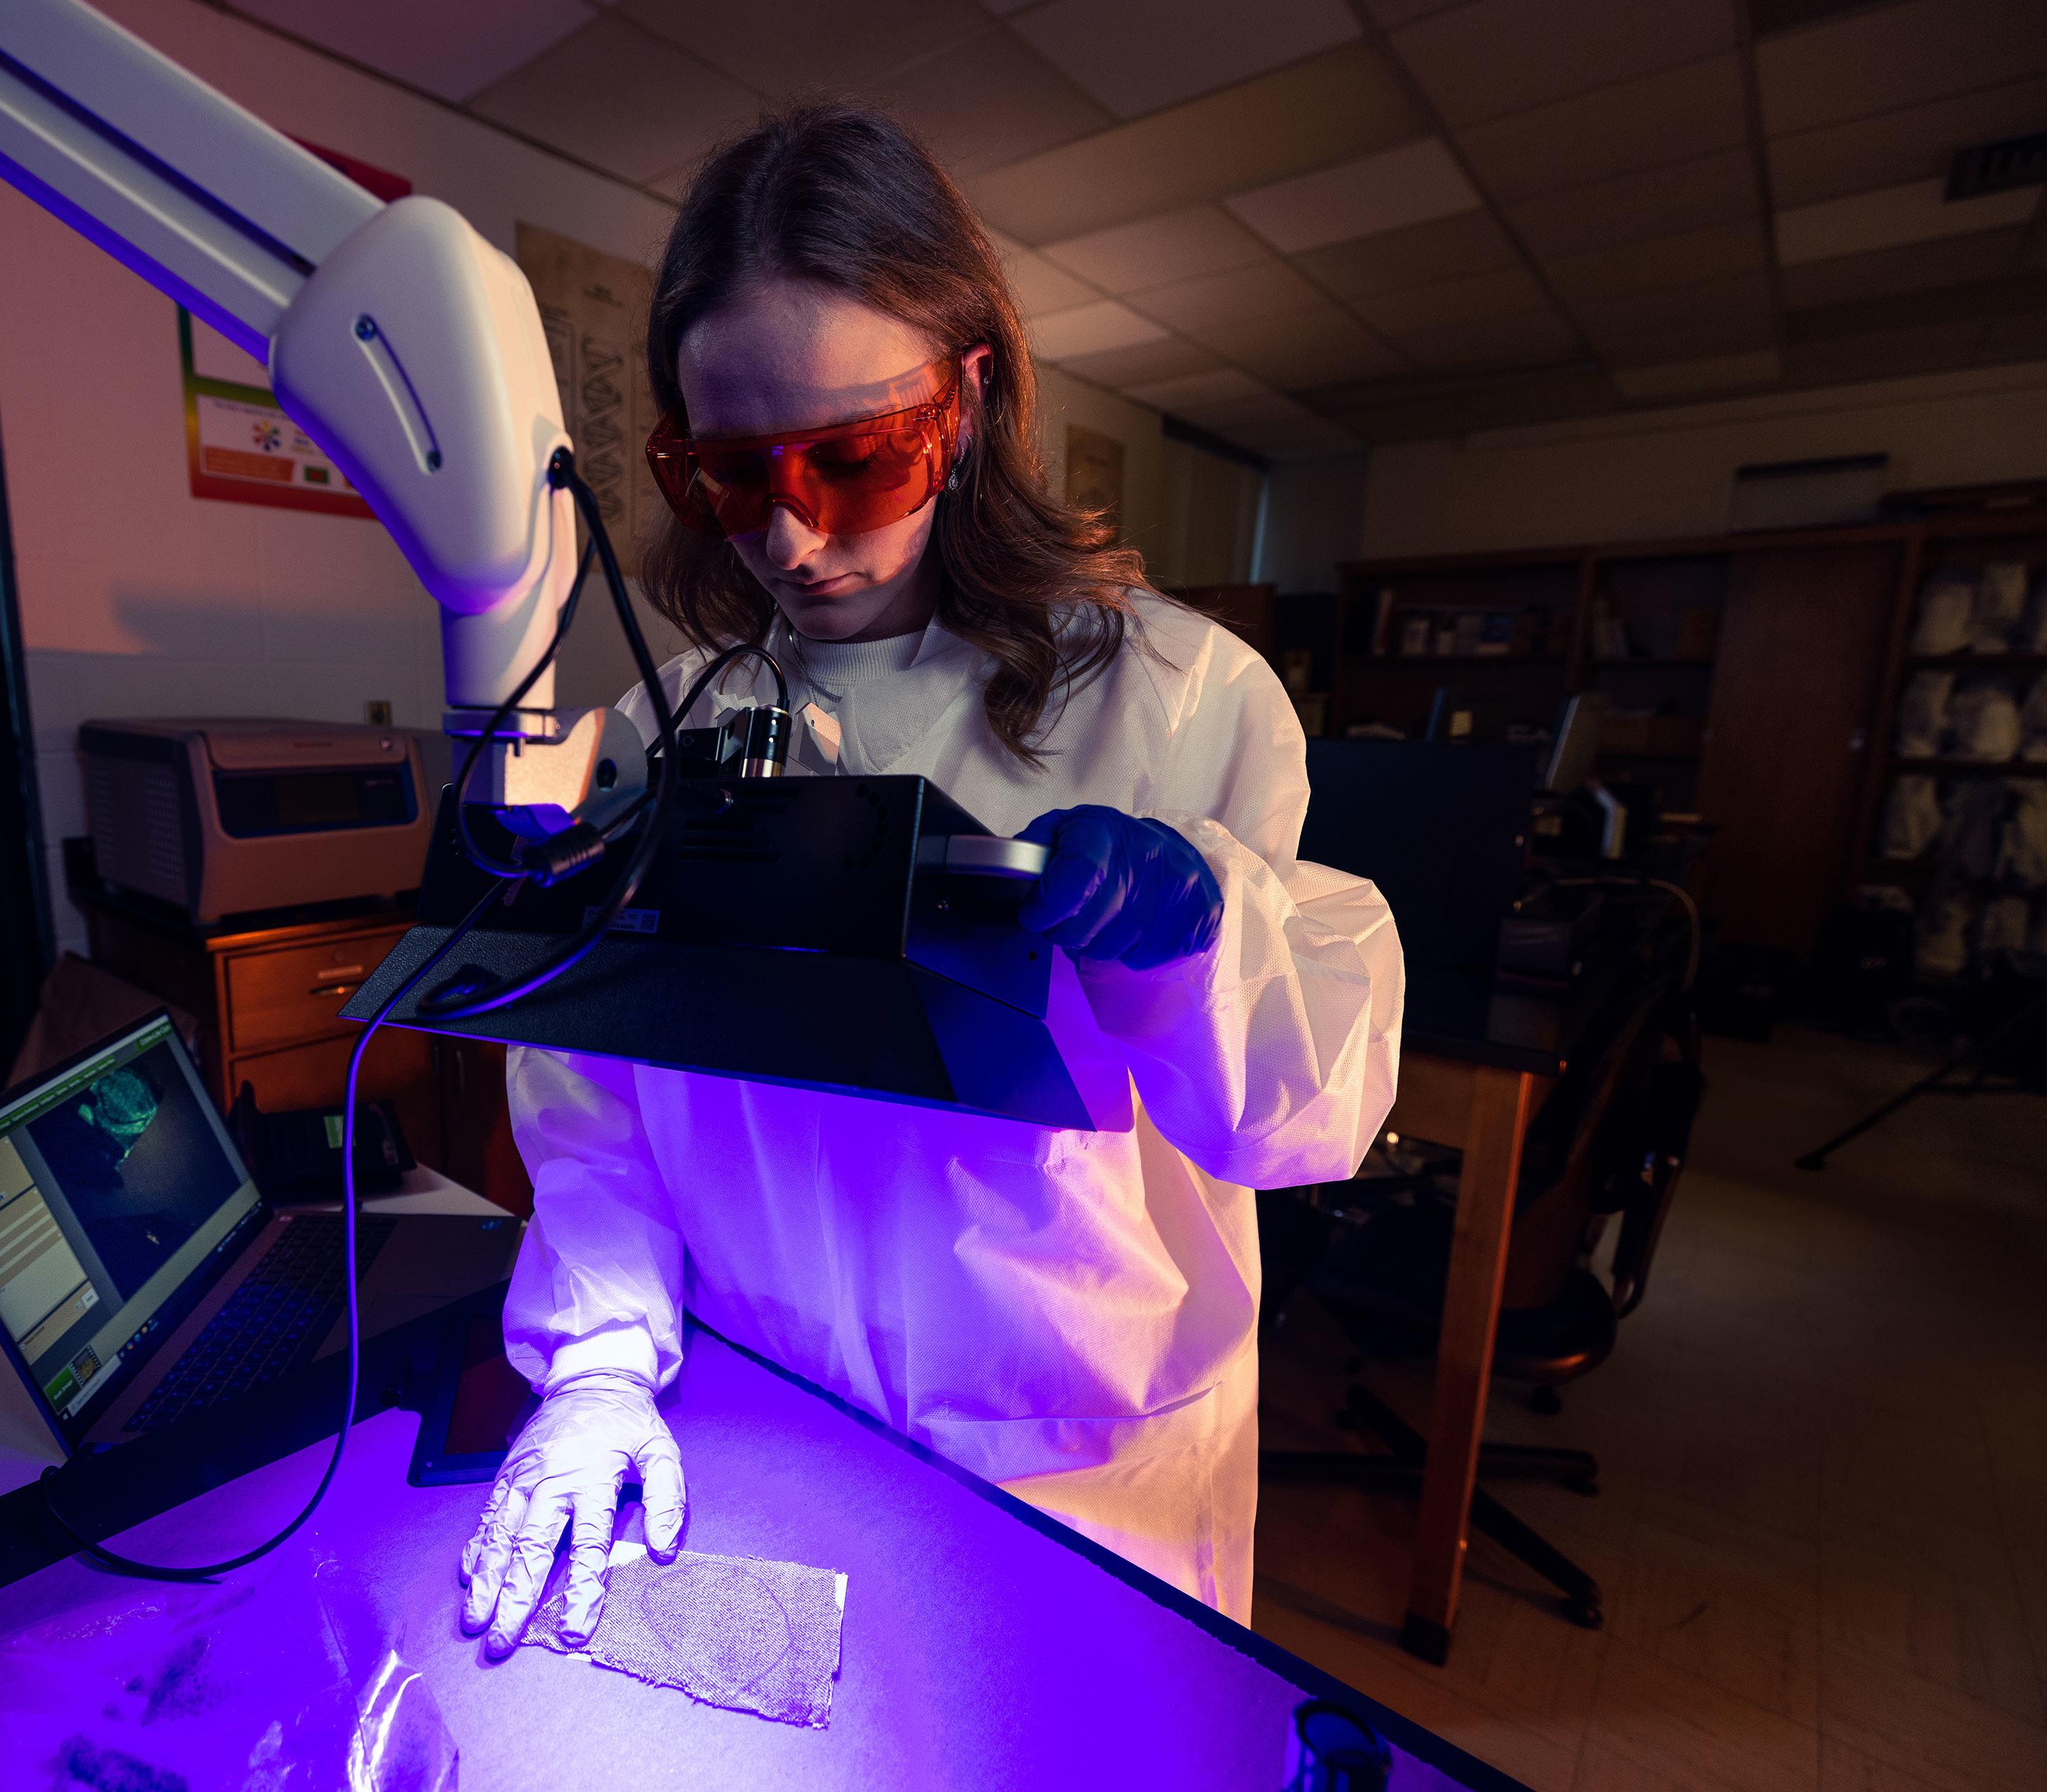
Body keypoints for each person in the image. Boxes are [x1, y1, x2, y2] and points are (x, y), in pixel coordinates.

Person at [457, 104, 1402, 1653]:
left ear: (965, 399)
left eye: (853, 454)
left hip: (1083, 1476)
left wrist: (1201, 935)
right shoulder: (662, 728)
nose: (790, 530)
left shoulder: (1178, 694)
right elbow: (599, 1108)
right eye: (727, 471)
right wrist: (605, 1364)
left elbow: (1300, 1122)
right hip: (763, 1432)